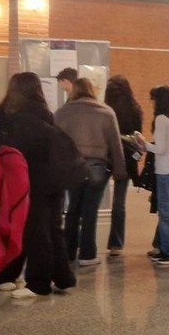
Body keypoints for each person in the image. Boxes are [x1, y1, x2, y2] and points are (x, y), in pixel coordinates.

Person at [0, 73, 78, 298]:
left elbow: (2, 148)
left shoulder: (7, 116)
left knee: (31, 229)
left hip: (26, 180)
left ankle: (37, 282)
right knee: (52, 228)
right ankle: (62, 277)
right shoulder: (45, 114)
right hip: (52, 179)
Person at [55, 78, 127, 267]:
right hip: (97, 168)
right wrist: (120, 170)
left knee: (72, 209)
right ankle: (87, 254)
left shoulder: (62, 112)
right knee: (90, 210)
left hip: (72, 167)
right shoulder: (106, 112)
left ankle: (69, 252)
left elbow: (55, 143)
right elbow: (115, 144)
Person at [135, 86, 169, 265]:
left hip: (165, 170)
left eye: (154, 99)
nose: (152, 103)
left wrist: (143, 143)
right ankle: (166, 249)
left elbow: (161, 148)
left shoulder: (162, 119)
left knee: (168, 213)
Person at [103, 75, 143, 255]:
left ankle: (86, 244)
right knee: (119, 202)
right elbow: (137, 136)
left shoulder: (105, 109)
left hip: (105, 156)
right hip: (126, 158)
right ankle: (116, 244)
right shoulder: (134, 109)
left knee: (93, 198)